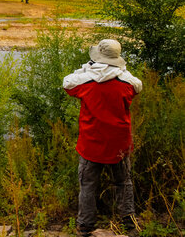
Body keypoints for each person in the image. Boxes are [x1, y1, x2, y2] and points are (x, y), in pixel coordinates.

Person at [63, 39, 142, 237]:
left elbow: (67, 83)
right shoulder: (126, 84)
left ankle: (85, 226)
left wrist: (87, 69)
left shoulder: (85, 82)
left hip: (91, 142)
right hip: (119, 143)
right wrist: (121, 71)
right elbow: (137, 86)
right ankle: (129, 224)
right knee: (124, 183)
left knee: (88, 185)